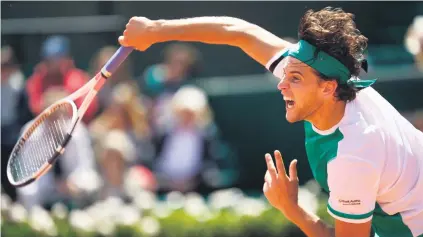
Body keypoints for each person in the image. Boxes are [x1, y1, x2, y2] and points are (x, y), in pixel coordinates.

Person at [118, 7, 423, 237]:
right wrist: (156, 29)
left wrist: (291, 208)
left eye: (295, 78)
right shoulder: (332, 79)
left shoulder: (351, 155)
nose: (281, 84)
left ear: (328, 87)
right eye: (286, 73)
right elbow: (237, 30)